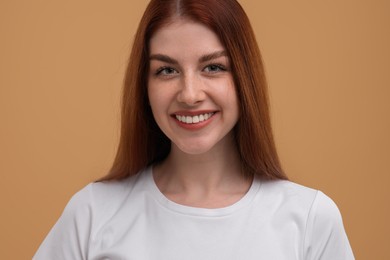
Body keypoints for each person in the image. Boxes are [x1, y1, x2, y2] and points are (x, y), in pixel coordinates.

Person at [34, 0, 354, 259]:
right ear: (144, 86)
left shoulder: (311, 219)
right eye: (167, 70)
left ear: (245, 77)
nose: (189, 94)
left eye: (213, 67)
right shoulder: (92, 213)